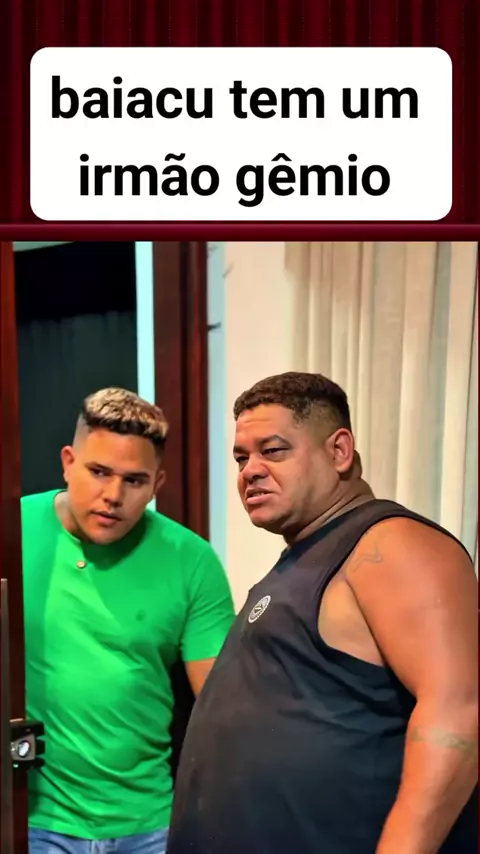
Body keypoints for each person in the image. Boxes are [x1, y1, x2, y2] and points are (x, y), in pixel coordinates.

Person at [166, 372, 478, 854]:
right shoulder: (303, 560)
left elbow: (458, 711)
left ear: (339, 451)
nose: (250, 471)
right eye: (241, 457)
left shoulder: (391, 544)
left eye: (273, 451)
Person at [23, 388, 235, 854]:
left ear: (157, 484)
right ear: (68, 463)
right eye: (98, 472)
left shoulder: (191, 560)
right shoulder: (11, 531)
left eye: (134, 480)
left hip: (149, 823)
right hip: (35, 820)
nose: (113, 496)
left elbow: (222, 705)